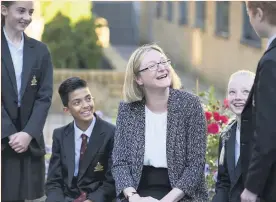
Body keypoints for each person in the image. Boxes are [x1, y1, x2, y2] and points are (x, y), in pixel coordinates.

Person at [111, 43, 208, 202]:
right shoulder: (128, 110)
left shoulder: (190, 105)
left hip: (180, 193)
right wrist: (133, 197)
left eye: (164, 62)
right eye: (152, 66)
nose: (162, 68)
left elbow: (195, 166)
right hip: (138, 190)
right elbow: (119, 163)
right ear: (138, 78)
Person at [1, 1, 53, 201]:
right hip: (3, 142)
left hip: (29, 145)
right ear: (4, 9)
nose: (27, 17)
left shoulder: (41, 51)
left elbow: (44, 97)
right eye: (21, 11)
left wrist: (28, 133)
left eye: (30, 12)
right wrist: (9, 133)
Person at [45, 77, 116, 202]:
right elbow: (54, 181)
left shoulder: (111, 133)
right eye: (77, 102)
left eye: (88, 99)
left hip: (97, 198)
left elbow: (111, 181)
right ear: (67, 110)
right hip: (67, 197)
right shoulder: (60, 135)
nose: (85, 106)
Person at [240, 2, 276, 202]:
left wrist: (252, 187)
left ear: (259, 14)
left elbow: (268, 131)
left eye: (249, 14)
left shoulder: (271, 61)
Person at [212, 70, 255, 202]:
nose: (238, 97)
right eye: (232, 92)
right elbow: (224, 182)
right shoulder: (227, 134)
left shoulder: (266, 135)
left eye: (245, 92)